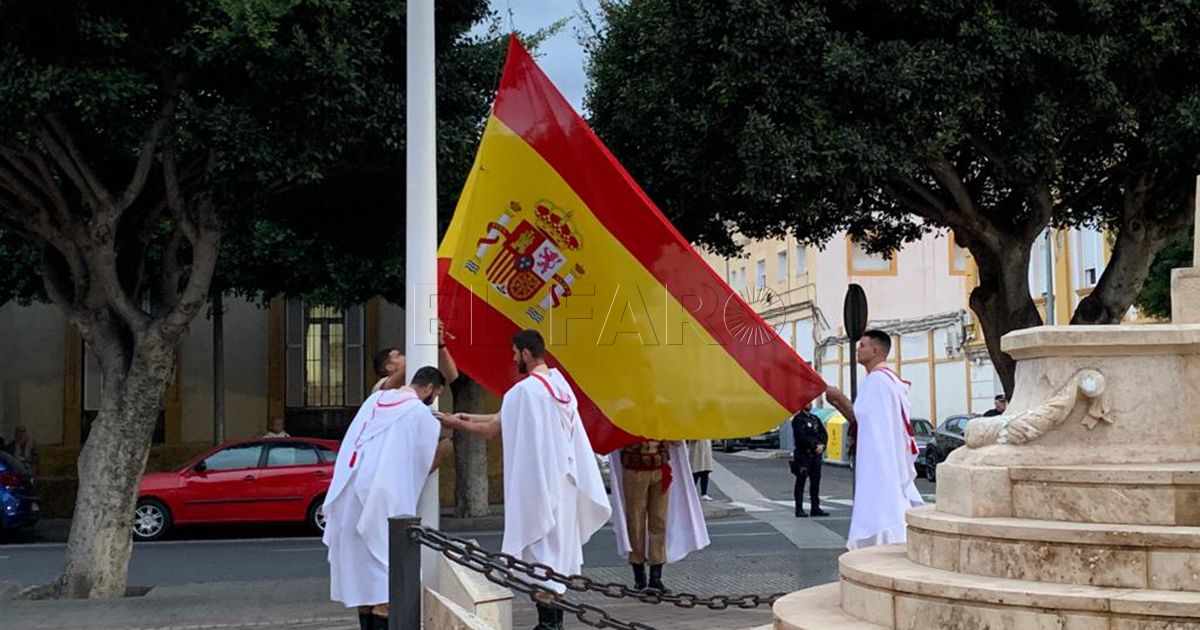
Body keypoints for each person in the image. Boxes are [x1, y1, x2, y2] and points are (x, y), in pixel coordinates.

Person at [438, 330, 610, 630]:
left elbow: (493, 428)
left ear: (526, 353)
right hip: (564, 487)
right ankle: (553, 624)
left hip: (540, 490)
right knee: (556, 560)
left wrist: (454, 423)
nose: (513, 358)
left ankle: (548, 626)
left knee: (540, 559)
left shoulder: (526, 391)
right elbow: (500, 419)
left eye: (515, 353)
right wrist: (466, 417)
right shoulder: (559, 385)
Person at [323, 366, 453, 630]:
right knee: (385, 588)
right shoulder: (420, 415)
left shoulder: (375, 401)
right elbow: (422, 465)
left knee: (363, 588)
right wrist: (446, 449)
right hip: (381, 506)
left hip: (346, 496)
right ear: (429, 389)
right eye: (435, 394)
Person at [826, 329, 923, 550]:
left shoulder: (877, 382)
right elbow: (866, 422)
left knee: (882, 509)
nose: (857, 350)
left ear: (876, 350)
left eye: (862, 345)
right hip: (888, 454)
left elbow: (861, 420)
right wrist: (839, 403)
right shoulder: (888, 380)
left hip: (879, 459)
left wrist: (839, 399)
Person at [608, 439, 708, 592]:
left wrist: (673, 435)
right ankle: (639, 576)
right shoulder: (627, 415)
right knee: (635, 523)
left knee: (659, 522)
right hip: (635, 468)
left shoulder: (662, 417)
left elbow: (677, 441)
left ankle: (656, 577)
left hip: (661, 468)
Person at [371, 321, 459, 393]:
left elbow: (455, 381)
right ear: (389, 367)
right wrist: (424, 334)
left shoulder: (415, 379)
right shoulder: (380, 387)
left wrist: (441, 344)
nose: (405, 356)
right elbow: (388, 386)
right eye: (398, 355)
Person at [790, 403, 828, 518]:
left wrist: (822, 445)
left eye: (810, 402)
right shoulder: (798, 419)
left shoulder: (815, 418)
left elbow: (823, 433)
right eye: (806, 402)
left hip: (816, 456)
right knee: (801, 482)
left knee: (815, 483)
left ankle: (815, 508)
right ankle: (799, 509)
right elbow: (801, 437)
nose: (809, 404)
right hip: (803, 455)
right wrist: (813, 446)